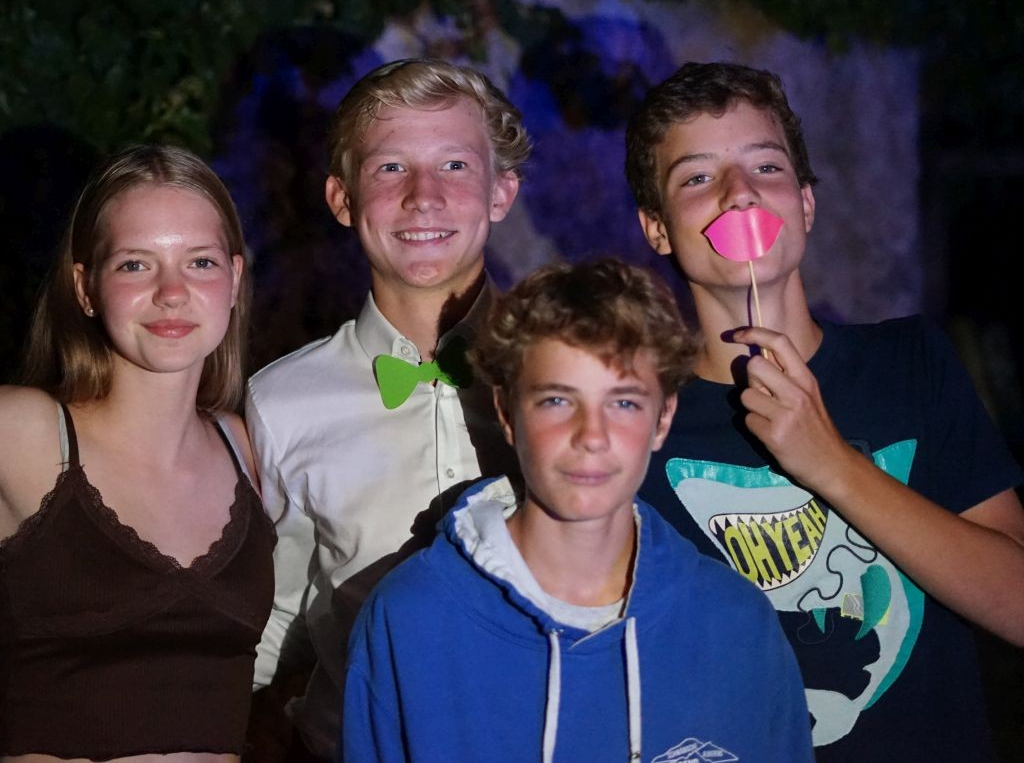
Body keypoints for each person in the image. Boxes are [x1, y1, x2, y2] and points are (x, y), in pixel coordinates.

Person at [626, 61, 1024, 759]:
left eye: (766, 167)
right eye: (697, 177)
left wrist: (831, 464)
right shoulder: (636, 427)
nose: (739, 193)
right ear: (657, 228)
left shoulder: (911, 362)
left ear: (805, 204)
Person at [341, 258, 813, 762]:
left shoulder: (736, 622)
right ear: (506, 413)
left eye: (624, 403)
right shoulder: (410, 619)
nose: (592, 436)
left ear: (663, 418)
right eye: (557, 401)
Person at [0, 145, 274, 762]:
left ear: (235, 278)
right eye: (135, 264)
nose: (172, 292)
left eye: (200, 262)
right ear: (85, 287)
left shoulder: (251, 447)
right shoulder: (21, 434)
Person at [246, 58, 528, 759]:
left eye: (455, 165)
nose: (423, 197)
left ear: (502, 191)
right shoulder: (281, 401)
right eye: (391, 167)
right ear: (342, 199)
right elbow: (274, 618)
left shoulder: (573, 373)